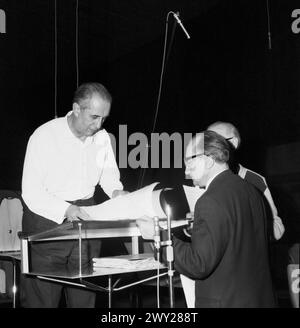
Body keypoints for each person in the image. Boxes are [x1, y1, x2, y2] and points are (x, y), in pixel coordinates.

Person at [137, 131, 276, 307]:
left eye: (189, 162)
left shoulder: (210, 200)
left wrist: (158, 236)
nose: (186, 171)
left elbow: (198, 265)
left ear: (209, 160)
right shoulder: (251, 192)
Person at [21, 82, 127, 307]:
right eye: (94, 117)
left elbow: (109, 179)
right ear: (77, 108)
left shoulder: (102, 138)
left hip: (86, 224)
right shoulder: (44, 136)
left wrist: (119, 193)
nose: (99, 125)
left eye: (104, 118)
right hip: (47, 225)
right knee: (44, 300)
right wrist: (66, 210)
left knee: (84, 299)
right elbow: (31, 192)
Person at [207, 121, 285, 241]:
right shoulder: (203, 182)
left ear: (233, 143)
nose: (209, 149)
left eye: (216, 142)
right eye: (206, 144)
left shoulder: (254, 181)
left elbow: (277, 229)